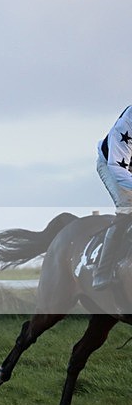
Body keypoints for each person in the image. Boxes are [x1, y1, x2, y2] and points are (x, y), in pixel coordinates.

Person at [94, 105, 132, 290]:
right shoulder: (126, 126)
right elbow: (118, 169)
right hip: (113, 166)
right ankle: (103, 270)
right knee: (127, 206)